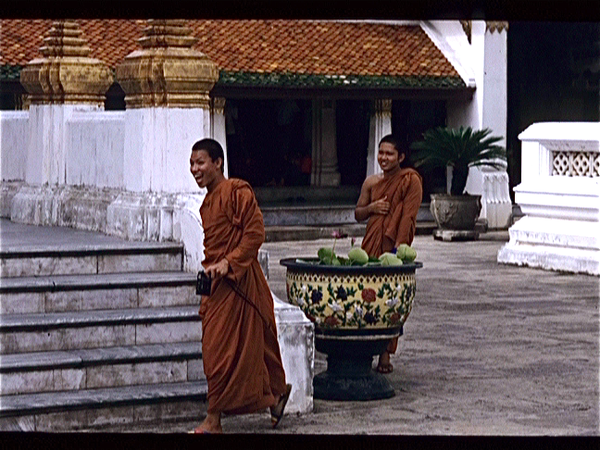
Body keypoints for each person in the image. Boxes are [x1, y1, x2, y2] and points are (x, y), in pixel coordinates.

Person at [189, 138, 292, 433]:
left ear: (217, 162)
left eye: (200, 163)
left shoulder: (237, 191)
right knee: (217, 348)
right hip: (218, 285)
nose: (195, 169)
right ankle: (276, 393)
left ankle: (214, 418)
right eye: (192, 164)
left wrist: (229, 262)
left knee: (233, 347)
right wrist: (216, 266)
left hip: (242, 281)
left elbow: (255, 233)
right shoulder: (208, 203)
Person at [354, 134, 423, 374]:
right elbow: (358, 214)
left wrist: (398, 249)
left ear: (401, 157)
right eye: (381, 152)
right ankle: (362, 351)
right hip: (371, 244)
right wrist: (372, 208)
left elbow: (409, 215)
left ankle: (385, 354)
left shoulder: (410, 180)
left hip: (393, 245)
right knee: (365, 296)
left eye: (389, 153)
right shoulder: (371, 183)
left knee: (389, 300)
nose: (383, 158)